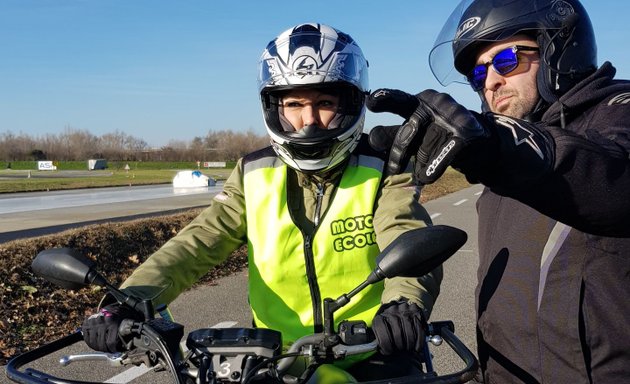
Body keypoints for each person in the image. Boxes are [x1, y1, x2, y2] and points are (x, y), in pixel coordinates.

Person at [81, 23, 442, 382]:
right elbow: (198, 242)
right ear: (274, 107)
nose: (309, 121)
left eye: (325, 103)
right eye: (294, 104)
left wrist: (404, 304)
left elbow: (404, 232)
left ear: (350, 103)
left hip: (372, 350)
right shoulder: (253, 172)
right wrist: (125, 301)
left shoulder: (384, 167)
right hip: (274, 361)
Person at [367, 0, 630, 383]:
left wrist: (496, 144)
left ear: (559, 50)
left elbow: (614, 178)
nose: (490, 81)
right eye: (478, 73)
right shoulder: (501, 164)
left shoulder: (616, 112)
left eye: (506, 59)